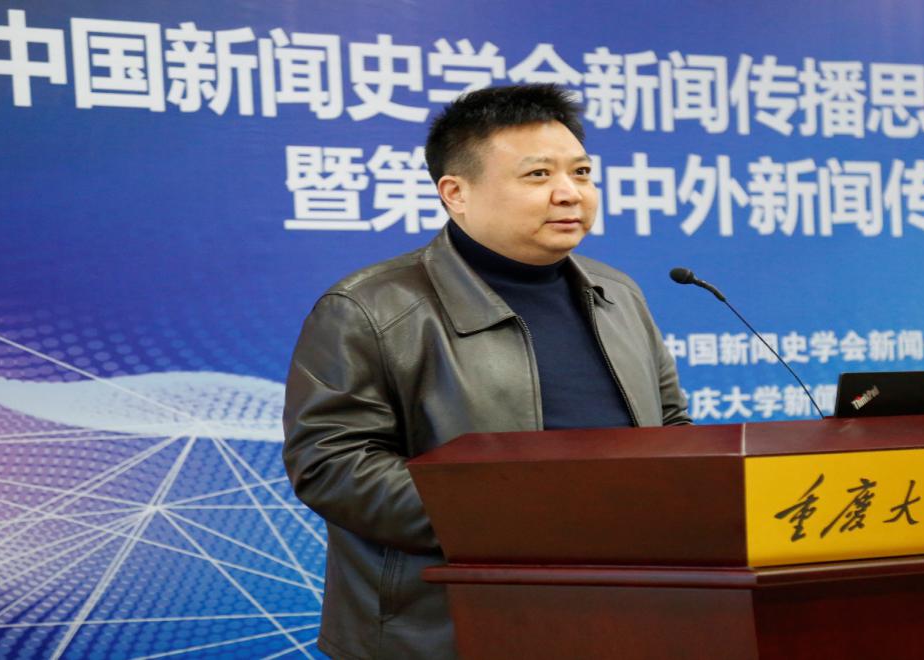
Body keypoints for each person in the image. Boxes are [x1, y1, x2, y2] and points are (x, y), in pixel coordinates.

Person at [283, 84, 691, 660]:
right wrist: (521, 519)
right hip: (442, 628)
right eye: (538, 175)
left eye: (581, 172)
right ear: (456, 193)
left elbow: (672, 429)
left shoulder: (617, 294)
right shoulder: (370, 308)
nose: (570, 193)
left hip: (623, 612)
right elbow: (333, 466)